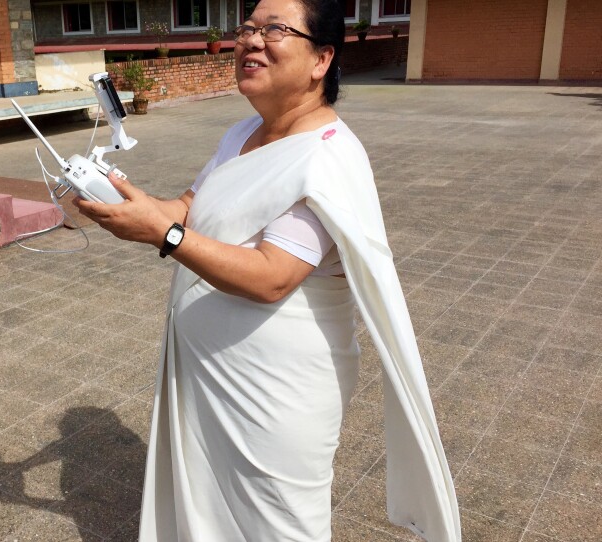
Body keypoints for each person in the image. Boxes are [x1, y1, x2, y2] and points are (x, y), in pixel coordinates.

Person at [75, 0, 461, 540]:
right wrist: (121, 204)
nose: (252, 41)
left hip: (275, 395)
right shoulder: (241, 135)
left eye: (275, 29)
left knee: (277, 523)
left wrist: (162, 235)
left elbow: (270, 277)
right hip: (209, 373)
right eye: (247, 29)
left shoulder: (327, 160)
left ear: (321, 58)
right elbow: (189, 206)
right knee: (205, 511)